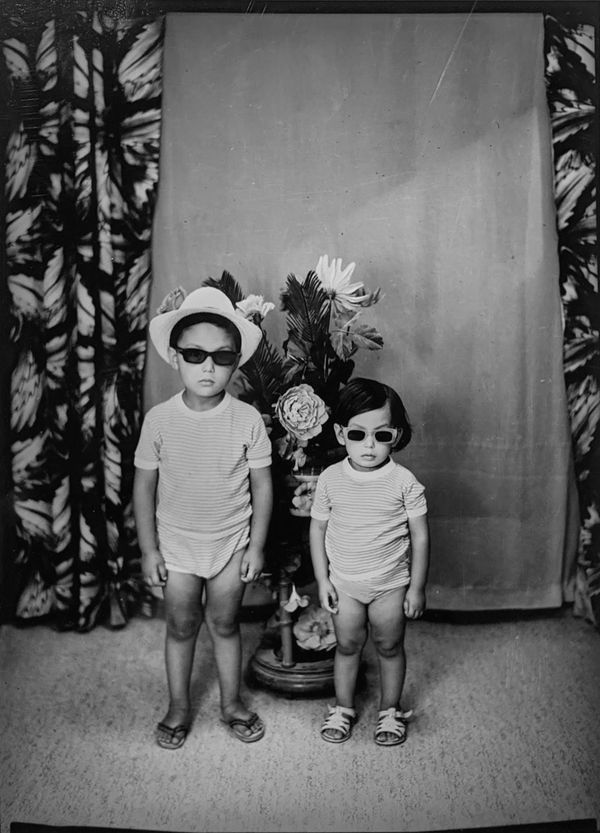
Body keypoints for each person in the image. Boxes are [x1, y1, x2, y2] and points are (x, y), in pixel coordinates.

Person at [133, 286, 273, 749]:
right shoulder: (159, 420)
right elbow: (144, 487)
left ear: (236, 362)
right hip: (177, 546)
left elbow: (262, 487)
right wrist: (150, 549)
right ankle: (178, 706)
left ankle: (231, 702)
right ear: (175, 358)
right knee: (180, 625)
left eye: (221, 356)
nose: (208, 367)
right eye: (194, 354)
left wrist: (254, 546)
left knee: (227, 623)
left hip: (230, 543)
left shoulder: (247, 420)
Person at [309, 377, 429, 746]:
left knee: (389, 646)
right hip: (344, 582)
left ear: (396, 435)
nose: (370, 446)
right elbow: (317, 531)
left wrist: (416, 588)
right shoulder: (330, 479)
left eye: (382, 436)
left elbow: (420, 536)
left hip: (390, 585)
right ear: (340, 433)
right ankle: (343, 707)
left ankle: (390, 711)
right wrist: (323, 581)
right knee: (346, 645)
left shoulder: (403, 482)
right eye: (358, 435)